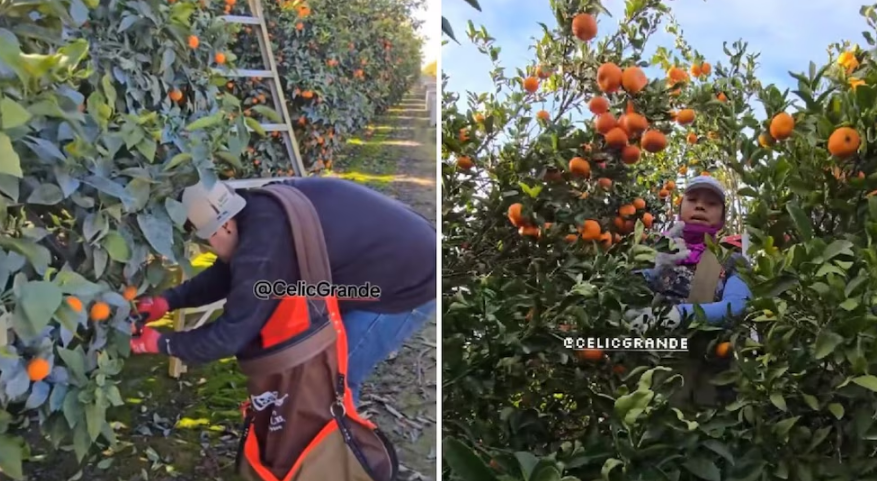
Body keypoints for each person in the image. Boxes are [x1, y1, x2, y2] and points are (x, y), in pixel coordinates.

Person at [129, 176, 436, 406]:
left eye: (205, 242)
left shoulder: (264, 244)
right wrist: (167, 302)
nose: (207, 249)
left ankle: (336, 465)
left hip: (409, 277)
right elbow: (231, 272)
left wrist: (161, 343)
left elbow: (231, 334)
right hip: (385, 257)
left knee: (332, 382)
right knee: (312, 369)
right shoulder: (256, 212)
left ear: (223, 228)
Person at [626, 175, 752, 333]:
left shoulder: (732, 260)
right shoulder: (652, 248)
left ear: (722, 218)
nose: (700, 206)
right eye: (692, 200)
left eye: (711, 203)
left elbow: (736, 307)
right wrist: (654, 263)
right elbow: (622, 290)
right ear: (680, 210)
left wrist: (677, 315)